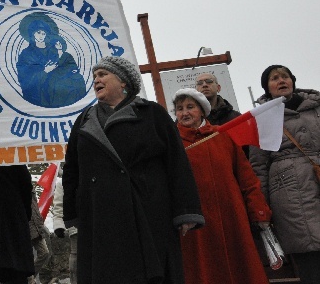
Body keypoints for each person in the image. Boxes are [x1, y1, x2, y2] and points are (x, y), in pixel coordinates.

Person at [62, 56, 204, 284]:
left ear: (123, 82)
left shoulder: (152, 114)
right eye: (94, 76)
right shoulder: (84, 120)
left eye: (102, 74)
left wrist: (186, 210)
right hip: (99, 214)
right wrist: (72, 213)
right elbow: (72, 170)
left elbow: (176, 162)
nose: (96, 80)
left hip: (148, 209)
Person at [173, 88, 271, 284]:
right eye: (179, 108)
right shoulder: (172, 142)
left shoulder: (223, 136)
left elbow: (246, 178)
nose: (184, 113)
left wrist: (259, 210)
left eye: (190, 107)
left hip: (231, 217)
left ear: (202, 110)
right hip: (195, 224)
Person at [250, 65, 320, 284]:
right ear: (267, 88)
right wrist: (261, 205)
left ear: (293, 81)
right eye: (274, 78)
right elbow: (258, 165)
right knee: (309, 253)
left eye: (285, 76)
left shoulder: (316, 107)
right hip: (289, 190)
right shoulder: (262, 118)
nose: (281, 80)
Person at [51, 167, 77, 284]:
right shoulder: (62, 182)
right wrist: (58, 225)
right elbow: (58, 206)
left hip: (95, 226)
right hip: (75, 228)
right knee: (76, 259)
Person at [28, 192, 51, 284]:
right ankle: (30, 279)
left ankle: (29, 276)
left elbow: (35, 208)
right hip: (25, 228)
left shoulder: (31, 190)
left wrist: (41, 224)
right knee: (27, 257)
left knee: (44, 252)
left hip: (36, 226)